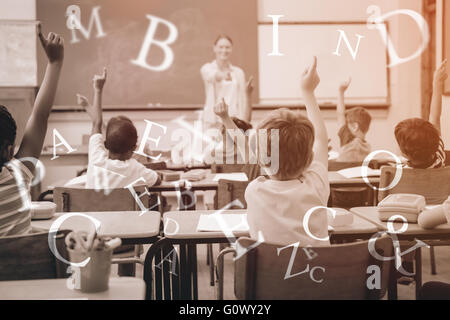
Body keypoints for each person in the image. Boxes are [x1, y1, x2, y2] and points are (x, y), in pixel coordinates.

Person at [215, 57, 330, 246]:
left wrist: (225, 118)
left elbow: (244, 147)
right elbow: (321, 140)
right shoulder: (316, 184)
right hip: (317, 274)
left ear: (261, 158)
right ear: (309, 158)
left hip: (268, 276)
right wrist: (307, 92)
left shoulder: (256, 190)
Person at [0, 25, 64, 236]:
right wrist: (55, 63)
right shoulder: (17, 176)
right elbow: (40, 116)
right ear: (9, 152)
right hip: (26, 270)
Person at [83, 68, 161, 190]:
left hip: (92, 210)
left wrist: (98, 90)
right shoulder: (135, 168)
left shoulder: (96, 159)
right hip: (126, 210)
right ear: (134, 148)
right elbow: (157, 180)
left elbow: (96, 124)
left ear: (105, 144)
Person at [395, 60, 447, 169]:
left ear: (404, 153)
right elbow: (435, 117)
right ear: (435, 144)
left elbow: (434, 117)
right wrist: (437, 84)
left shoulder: (399, 173)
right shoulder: (439, 158)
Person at [201, 35, 252, 132]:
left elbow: (243, 98)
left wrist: (244, 120)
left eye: (227, 47)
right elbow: (213, 76)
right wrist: (223, 75)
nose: (224, 50)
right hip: (214, 122)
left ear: (231, 49)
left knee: (234, 146)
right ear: (214, 48)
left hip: (235, 120)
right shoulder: (207, 68)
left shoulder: (239, 72)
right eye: (221, 47)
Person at [336, 78, 372, 162]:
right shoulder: (367, 148)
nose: (344, 124)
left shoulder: (348, 141)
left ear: (355, 126)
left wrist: (340, 92)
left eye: (347, 123)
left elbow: (340, 114)